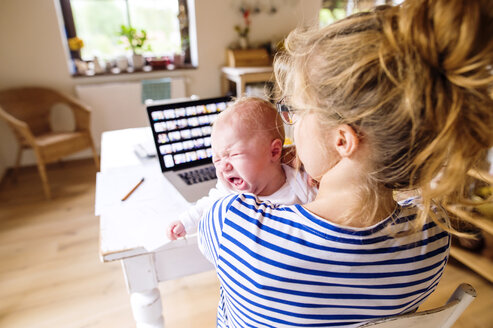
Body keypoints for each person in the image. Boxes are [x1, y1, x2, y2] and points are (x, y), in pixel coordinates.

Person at [198, 0, 493, 327]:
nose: (292, 124)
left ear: (342, 141)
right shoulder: (433, 236)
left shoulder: (231, 223)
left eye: (295, 110)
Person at [166, 97, 317, 240]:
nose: (224, 166)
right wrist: (185, 223)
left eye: (234, 154)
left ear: (274, 152)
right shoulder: (229, 191)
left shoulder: (300, 185)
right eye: (217, 159)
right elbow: (207, 206)